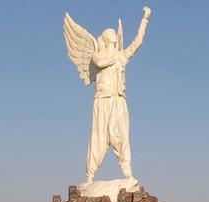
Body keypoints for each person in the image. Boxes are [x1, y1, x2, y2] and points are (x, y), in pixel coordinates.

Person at [63, 7, 152, 185]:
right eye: (110, 35)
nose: (113, 37)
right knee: (98, 138)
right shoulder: (98, 55)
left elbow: (138, 42)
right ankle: (90, 176)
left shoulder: (121, 55)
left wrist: (144, 20)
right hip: (102, 101)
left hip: (118, 100)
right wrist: (119, 56)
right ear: (105, 39)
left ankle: (128, 172)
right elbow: (101, 62)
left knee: (122, 136)